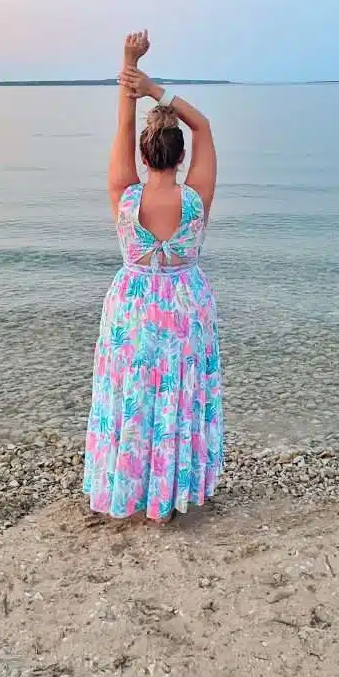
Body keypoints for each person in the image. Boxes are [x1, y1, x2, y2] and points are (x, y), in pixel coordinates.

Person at [82, 30, 224, 524]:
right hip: (185, 304)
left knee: (133, 397)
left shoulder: (124, 195)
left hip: (133, 305)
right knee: (177, 399)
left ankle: (131, 491)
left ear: (144, 155)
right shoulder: (195, 199)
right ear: (180, 155)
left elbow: (123, 126)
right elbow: (203, 125)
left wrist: (127, 66)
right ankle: (170, 494)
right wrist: (155, 88)